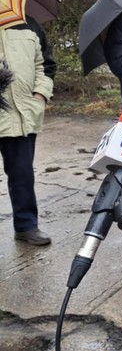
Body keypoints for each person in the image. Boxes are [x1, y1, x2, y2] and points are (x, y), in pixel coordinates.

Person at [0, 22, 54, 246]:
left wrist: (40, 95)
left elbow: (45, 66)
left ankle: (26, 226)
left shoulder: (28, 25)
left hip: (20, 113)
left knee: (22, 173)